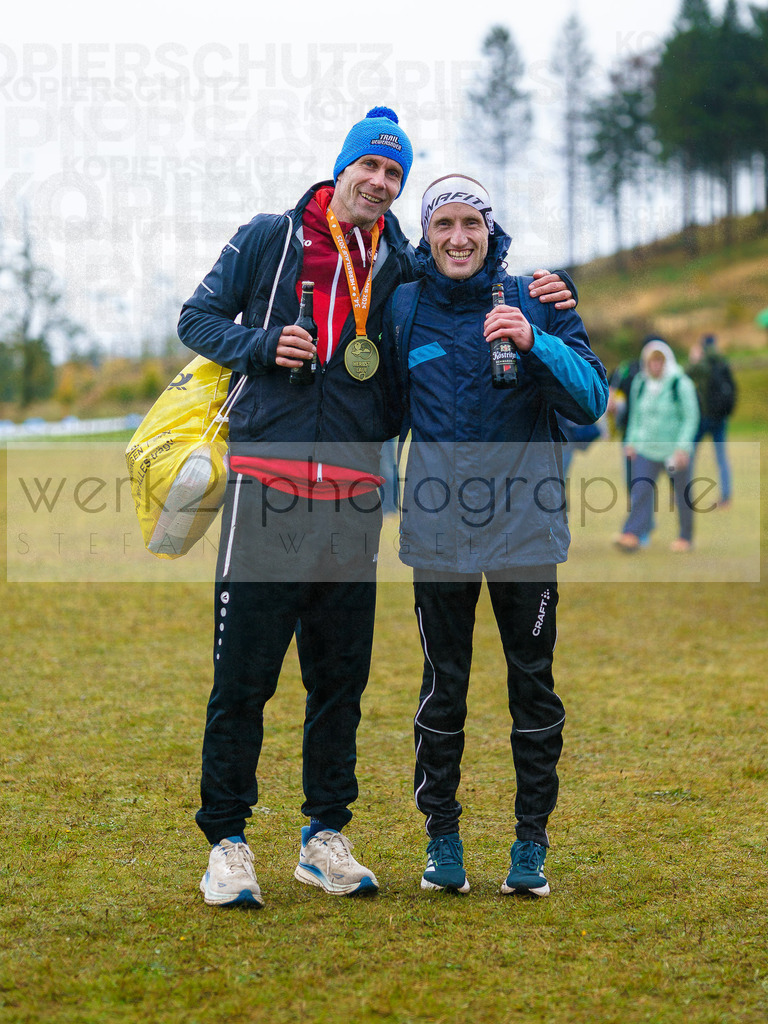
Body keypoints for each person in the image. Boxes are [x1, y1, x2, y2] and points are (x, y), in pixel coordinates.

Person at [177, 112, 576, 909]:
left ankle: (323, 836)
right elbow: (195, 320)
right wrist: (260, 345)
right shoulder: (270, 238)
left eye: (394, 175)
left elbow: (464, 292)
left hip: (355, 498)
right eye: (372, 168)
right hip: (267, 488)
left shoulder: (397, 260)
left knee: (340, 684)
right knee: (243, 679)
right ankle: (227, 843)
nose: (380, 183)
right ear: (345, 166)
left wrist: (550, 291)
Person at [386, 174, 608, 897]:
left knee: (532, 690)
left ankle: (529, 847)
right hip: (438, 537)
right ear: (427, 233)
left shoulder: (537, 297)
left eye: (471, 223)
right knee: (442, 691)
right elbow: (379, 403)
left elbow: (592, 400)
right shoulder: (405, 307)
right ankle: (442, 841)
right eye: (443, 223)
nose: (458, 237)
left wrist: (534, 339)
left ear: (490, 230)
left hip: (527, 535)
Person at [614, 338, 700, 553]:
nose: (655, 366)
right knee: (641, 490)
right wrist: (631, 442)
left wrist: (683, 448)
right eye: (651, 362)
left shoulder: (679, 383)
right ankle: (631, 534)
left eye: (659, 362)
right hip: (646, 448)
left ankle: (685, 537)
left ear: (666, 361)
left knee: (681, 494)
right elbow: (636, 416)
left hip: (673, 450)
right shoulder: (640, 383)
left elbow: (691, 417)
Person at [686, 333, 737, 508]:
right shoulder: (722, 362)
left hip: (703, 418)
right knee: (722, 458)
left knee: (690, 456)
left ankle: (687, 495)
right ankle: (726, 496)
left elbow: (685, 375)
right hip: (721, 418)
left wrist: (694, 359)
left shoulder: (702, 364)